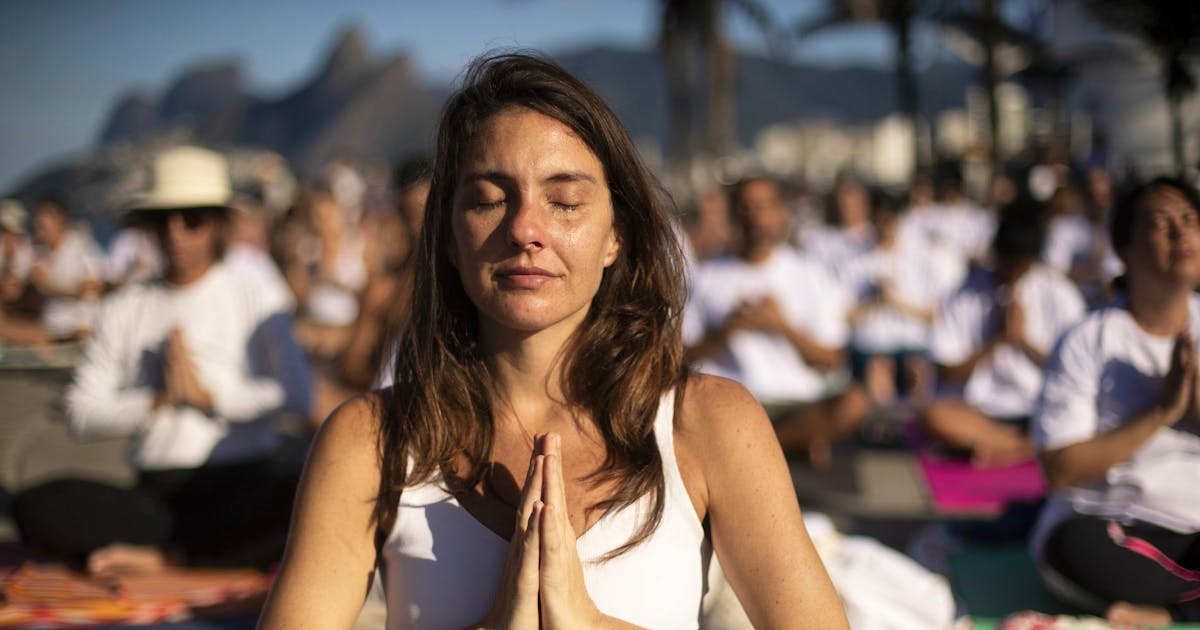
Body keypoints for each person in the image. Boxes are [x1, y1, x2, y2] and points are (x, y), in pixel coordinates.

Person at [259, 53, 847, 629]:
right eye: (490, 199)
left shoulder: (712, 424)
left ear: (616, 234)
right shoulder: (370, 441)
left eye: (564, 201)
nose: (525, 230)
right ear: (446, 235)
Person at [13, 145, 312, 574]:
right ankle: (187, 556)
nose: (176, 232)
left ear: (217, 224)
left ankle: (170, 559)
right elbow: (81, 411)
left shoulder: (256, 295)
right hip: (157, 496)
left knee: (307, 494)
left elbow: (296, 395)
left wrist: (208, 396)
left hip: (244, 480)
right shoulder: (125, 307)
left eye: (192, 219)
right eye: (161, 220)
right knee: (36, 505)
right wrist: (157, 400)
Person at [1032, 177, 1200, 626]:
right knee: (1072, 548)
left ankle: (1168, 612)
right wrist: (1163, 412)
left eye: (1189, 221)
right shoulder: (1089, 339)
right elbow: (1059, 469)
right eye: (1161, 224)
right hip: (1114, 524)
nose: (1181, 235)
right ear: (1125, 248)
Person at [684, 175, 869, 467]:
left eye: (765, 206)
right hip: (729, 400)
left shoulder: (810, 274)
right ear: (734, 214)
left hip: (796, 403)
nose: (757, 216)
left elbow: (833, 359)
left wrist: (781, 326)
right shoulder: (707, 275)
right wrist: (729, 328)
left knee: (854, 403)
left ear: (781, 212)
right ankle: (786, 444)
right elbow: (679, 355)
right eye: (747, 207)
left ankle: (765, 444)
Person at [921, 199, 1086, 466]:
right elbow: (947, 372)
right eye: (1006, 263)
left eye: (1019, 266)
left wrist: (1023, 341)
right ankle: (1025, 447)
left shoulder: (1059, 293)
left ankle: (1008, 447)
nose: (1010, 273)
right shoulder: (964, 294)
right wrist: (998, 340)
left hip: (1042, 410)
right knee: (933, 417)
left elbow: (1075, 371)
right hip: (983, 413)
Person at [29, 195, 104, 341]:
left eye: (43, 225)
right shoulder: (39, 252)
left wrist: (50, 287)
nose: (39, 230)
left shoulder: (83, 246)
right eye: (38, 225)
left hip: (78, 330)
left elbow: (93, 285)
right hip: (50, 328)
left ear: (59, 221)